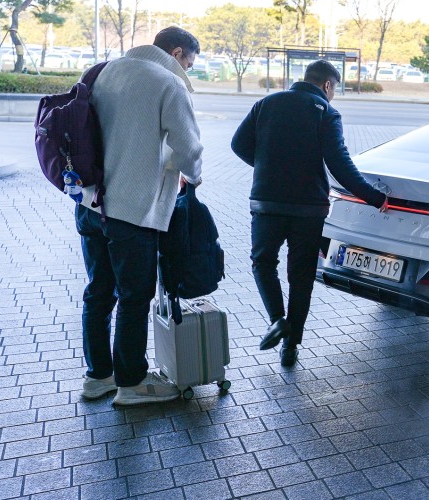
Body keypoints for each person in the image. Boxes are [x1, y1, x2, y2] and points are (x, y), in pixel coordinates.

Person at [75, 27, 204, 405]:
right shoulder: (168, 83)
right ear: (177, 52)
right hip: (133, 211)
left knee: (99, 292)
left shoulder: (105, 71)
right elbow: (189, 149)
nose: (188, 71)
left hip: (90, 204)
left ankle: (99, 376)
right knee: (134, 297)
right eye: (190, 64)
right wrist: (192, 178)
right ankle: (131, 383)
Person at [231, 59, 387, 367]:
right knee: (300, 276)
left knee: (263, 262)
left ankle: (277, 320)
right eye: (335, 90)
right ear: (328, 85)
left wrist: (267, 167)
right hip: (308, 208)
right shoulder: (326, 113)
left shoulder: (266, 103)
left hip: (266, 203)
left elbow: (238, 145)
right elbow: (340, 164)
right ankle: (291, 346)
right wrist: (374, 197)